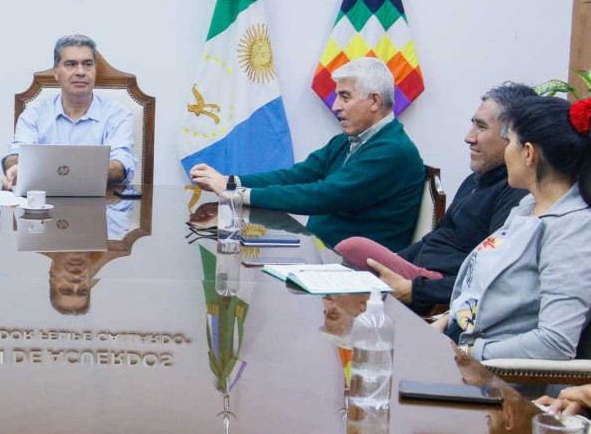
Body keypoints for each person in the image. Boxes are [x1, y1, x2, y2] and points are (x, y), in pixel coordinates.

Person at [335, 83, 534, 314]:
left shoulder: (518, 194)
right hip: (417, 274)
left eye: (481, 127)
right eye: (472, 124)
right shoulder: (475, 180)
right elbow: (436, 237)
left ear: (513, 137)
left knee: (353, 248)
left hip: (433, 290)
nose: (469, 137)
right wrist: (396, 259)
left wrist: (415, 289)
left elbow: (489, 278)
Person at [190, 57, 425, 250]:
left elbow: (323, 196)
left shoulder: (392, 151)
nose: (336, 106)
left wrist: (235, 194)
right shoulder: (350, 140)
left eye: (345, 96)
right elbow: (296, 176)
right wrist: (231, 182)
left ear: (374, 101)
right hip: (324, 252)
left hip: (359, 272)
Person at [433, 95, 591, 361]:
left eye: (510, 142)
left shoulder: (572, 230)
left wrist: (467, 352)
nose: (506, 152)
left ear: (528, 153)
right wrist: (447, 321)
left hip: (500, 377)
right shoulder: (528, 206)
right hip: (464, 352)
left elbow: (555, 343)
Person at [1, 34, 137, 189]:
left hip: (101, 199)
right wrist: (15, 166)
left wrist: (67, 171)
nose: (81, 72)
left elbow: (122, 164)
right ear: (56, 72)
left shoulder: (118, 114)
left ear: (95, 70)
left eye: (88, 64)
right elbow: (16, 153)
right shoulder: (34, 114)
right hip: (44, 199)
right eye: (71, 64)